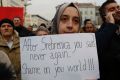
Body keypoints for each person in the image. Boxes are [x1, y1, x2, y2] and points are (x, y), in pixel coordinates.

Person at [51, 2, 98, 80]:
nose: (70, 25)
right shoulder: (40, 55)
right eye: (64, 19)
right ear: (56, 22)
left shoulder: (90, 55)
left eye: (76, 21)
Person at [95, 0, 120, 80]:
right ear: (104, 15)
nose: (118, 10)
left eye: (118, 7)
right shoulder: (99, 35)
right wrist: (110, 25)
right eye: (112, 9)